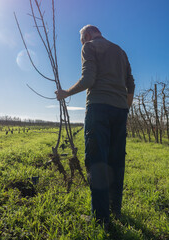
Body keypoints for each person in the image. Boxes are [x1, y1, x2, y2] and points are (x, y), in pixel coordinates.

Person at [55, 25, 135, 225]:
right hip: (120, 111)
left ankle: (100, 219)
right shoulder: (120, 51)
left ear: (88, 35)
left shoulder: (89, 46)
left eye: (82, 40)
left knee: (97, 162)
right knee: (116, 162)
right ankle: (115, 211)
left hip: (98, 108)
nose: (82, 43)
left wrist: (66, 93)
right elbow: (131, 83)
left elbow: (89, 79)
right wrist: (125, 108)